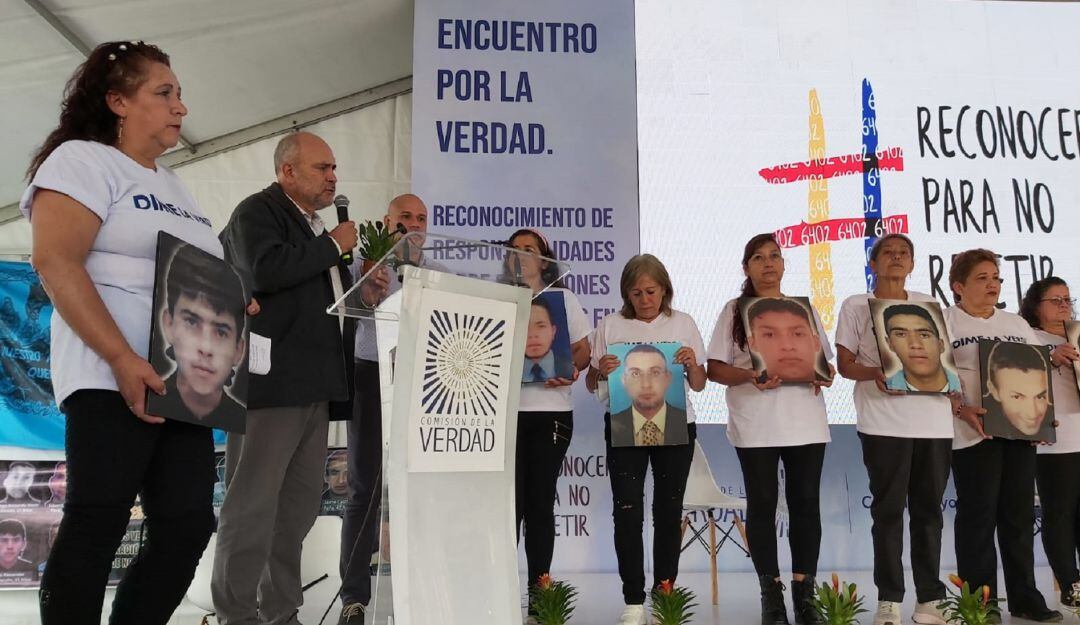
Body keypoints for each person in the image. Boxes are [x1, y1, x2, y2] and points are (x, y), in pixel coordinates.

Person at [20, 41, 249, 624]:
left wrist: (232, 304)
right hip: (108, 373)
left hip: (182, 385)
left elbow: (193, 278)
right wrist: (121, 358)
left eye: (179, 94)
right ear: (118, 101)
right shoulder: (81, 160)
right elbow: (55, 260)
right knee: (100, 515)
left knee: (188, 524)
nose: (181, 107)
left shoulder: (175, 188)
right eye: (164, 93)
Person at [213, 131, 357, 625]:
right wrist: (333, 245)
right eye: (322, 168)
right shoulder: (258, 211)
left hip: (315, 386)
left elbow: (325, 301)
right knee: (251, 506)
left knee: (296, 510)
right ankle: (237, 613)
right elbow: (263, 270)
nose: (332, 177)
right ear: (287, 171)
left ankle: (281, 611)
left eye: (334, 167)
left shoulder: (312, 227)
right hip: (270, 387)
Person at [706, 233, 833, 625]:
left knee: (806, 507)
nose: (768, 263)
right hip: (756, 424)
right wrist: (749, 374)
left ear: (783, 263)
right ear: (747, 267)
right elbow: (714, 369)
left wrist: (823, 375)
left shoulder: (803, 310)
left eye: (775, 256)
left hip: (806, 423)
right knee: (762, 508)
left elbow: (825, 363)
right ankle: (771, 596)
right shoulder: (734, 311)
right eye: (759, 258)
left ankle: (804, 594)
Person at [834, 233, 952, 625]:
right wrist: (877, 372)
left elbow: (946, 367)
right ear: (873, 263)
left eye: (904, 253)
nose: (896, 258)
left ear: (913, 263)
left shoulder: (932, 308)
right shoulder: (855, 305)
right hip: (883, 423)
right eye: (888, 253)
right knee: (887, 513)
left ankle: (930, 599)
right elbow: (845, 365)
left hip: (934, 424)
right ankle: (889, 599)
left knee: (929, 513)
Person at [944, 248, 1064, 623]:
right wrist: (960, 408)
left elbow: (1037, 374)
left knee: (1018, 517)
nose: (992, 284)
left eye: (995, 277)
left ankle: (1025, 597)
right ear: (958, 286)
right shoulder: (946, 322)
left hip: (1018, 435)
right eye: (982, 278)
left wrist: (1043, 418)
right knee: (978, 518)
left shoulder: (1016, 323)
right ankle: (980, 604)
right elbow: (936, 375)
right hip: (973, 434)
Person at [589, 254, 706, 625]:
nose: (644, 299)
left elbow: (700, 384)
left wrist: (691, 365)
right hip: (624, 428)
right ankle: (633, 599)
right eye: (636, 292)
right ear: (626, 293)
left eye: (651, 291)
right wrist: (599, 370)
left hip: (676, 430)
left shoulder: (682, 322)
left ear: (665, 289)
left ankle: (665, 594)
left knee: (669, 513)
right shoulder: (610, 325)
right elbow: (592, 384)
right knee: (627, 512)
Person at [338, 193, 436, 624]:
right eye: (404, 217)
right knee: (365, 489)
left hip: (423, 386)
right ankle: (355, 599)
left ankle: (424, 594)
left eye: (420, 218)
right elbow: (346, 312)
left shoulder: (438, 275)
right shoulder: (363, 264)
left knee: (421, 492)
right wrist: (366, 287)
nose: (412, 225)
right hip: (371, 376)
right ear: (386, 221)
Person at [505, 228, 590, 625]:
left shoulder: (564, 300)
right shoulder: (497, 298)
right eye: (515, 250)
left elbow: (584, 350)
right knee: (509, 508)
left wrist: (571, 368)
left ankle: (540, 595)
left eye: (530, 250)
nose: (522, 256)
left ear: (544, 259)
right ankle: (501, 590)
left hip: (550, 413)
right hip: (503, 415)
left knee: (539, 504)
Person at [1020, 277, 1080, 607]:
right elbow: (1015, 370)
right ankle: (1069, 583)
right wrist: (1050, 355)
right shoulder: (1029, 338)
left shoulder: (1078, 335)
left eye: (1067, 299)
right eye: (1055, 300)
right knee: (1059, 514)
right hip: (1055, 441)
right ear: (1035, 305)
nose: (1063, 305)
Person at [151, 242, 247, 432]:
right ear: (168, 324)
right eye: (192, 322)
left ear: (239, 349)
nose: (206, 347)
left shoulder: (242, 418)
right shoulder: (148, 402)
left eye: (221, 332)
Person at [610, 343, 688, 447]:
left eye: (655, 373)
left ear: (668, 378)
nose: (646, 385)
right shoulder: (615, 425)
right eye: (635, 374)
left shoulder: (683, 421)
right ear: (624, 381)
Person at [880, 303, 961, 393]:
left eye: (924, 335)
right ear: (890, 344)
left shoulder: (965, 386)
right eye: (901, 334)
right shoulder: (883, 388)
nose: (915, 344)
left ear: (941, 345)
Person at [744, 297, 827, 382]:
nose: (787, 346)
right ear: (752, 344)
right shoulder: (749, 385)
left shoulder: (825, 384)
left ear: (816, 342)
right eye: (770, 335)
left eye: (798, 334)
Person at [983, 342, 1053, 439]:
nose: (1032, 413)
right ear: (994, 390)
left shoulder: (1051, 419)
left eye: (1040, 396)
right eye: (1017, 397)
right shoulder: (980, 417)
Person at [523, 296, 568, 383]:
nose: (533, 335)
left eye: (541, 326)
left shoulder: (567, 367)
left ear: (553, 331)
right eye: (525, 327)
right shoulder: (503, 369)